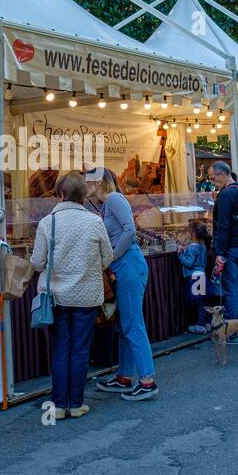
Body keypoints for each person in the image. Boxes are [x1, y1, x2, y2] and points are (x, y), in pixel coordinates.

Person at [30, 172, 114, 419]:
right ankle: (76, 403)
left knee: (60, 349)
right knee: (80, 349)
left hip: (56, 296)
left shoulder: (48, 222)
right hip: (86, 296)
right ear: (82, 195)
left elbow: (37, 262)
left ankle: (57, 405)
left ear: (61, 194)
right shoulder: (95, 221)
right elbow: (108, 257)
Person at [89, 168, 158, 401]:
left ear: (99, 182)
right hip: (125, 266)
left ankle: (147, 380)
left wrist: (111, 257)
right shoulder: (105, 205)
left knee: (132, 324)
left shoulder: (115, 199)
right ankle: (124, 376)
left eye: (88, 180)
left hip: (128, 265)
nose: (85, 185)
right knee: (124, 325)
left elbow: (130, 230)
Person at [209, 160, 238, 341]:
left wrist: (220, 253)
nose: (213, 183)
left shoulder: (225, 195)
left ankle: (234, 332)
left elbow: (224, 226)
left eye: (214, 179)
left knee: (232, 289)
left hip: (232, 249)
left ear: (222, 175)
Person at [178, 219, 211, 334]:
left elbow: (189, 263)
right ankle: (207, 323)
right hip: (202, 275)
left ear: (193, 233)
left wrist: (180, 255)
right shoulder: (202, 247)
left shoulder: (191, 249)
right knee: (203, 301)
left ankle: (199, 325)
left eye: (188, 231)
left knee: (197, 303)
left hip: (194, 278)